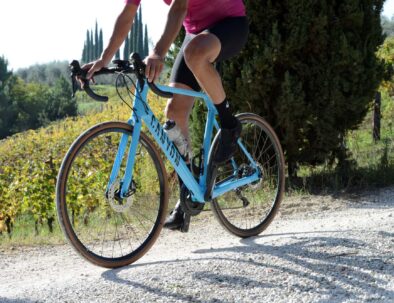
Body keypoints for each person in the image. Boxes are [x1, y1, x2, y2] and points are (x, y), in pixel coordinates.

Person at [83, 0, 249, 231]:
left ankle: (230, 125)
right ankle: (188, 195)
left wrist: (158, 52)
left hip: (230, 24)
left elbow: (180, 7)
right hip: (196, 35)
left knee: (194, 53)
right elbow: (128, 14)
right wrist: (104, 58)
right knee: (173, 113)